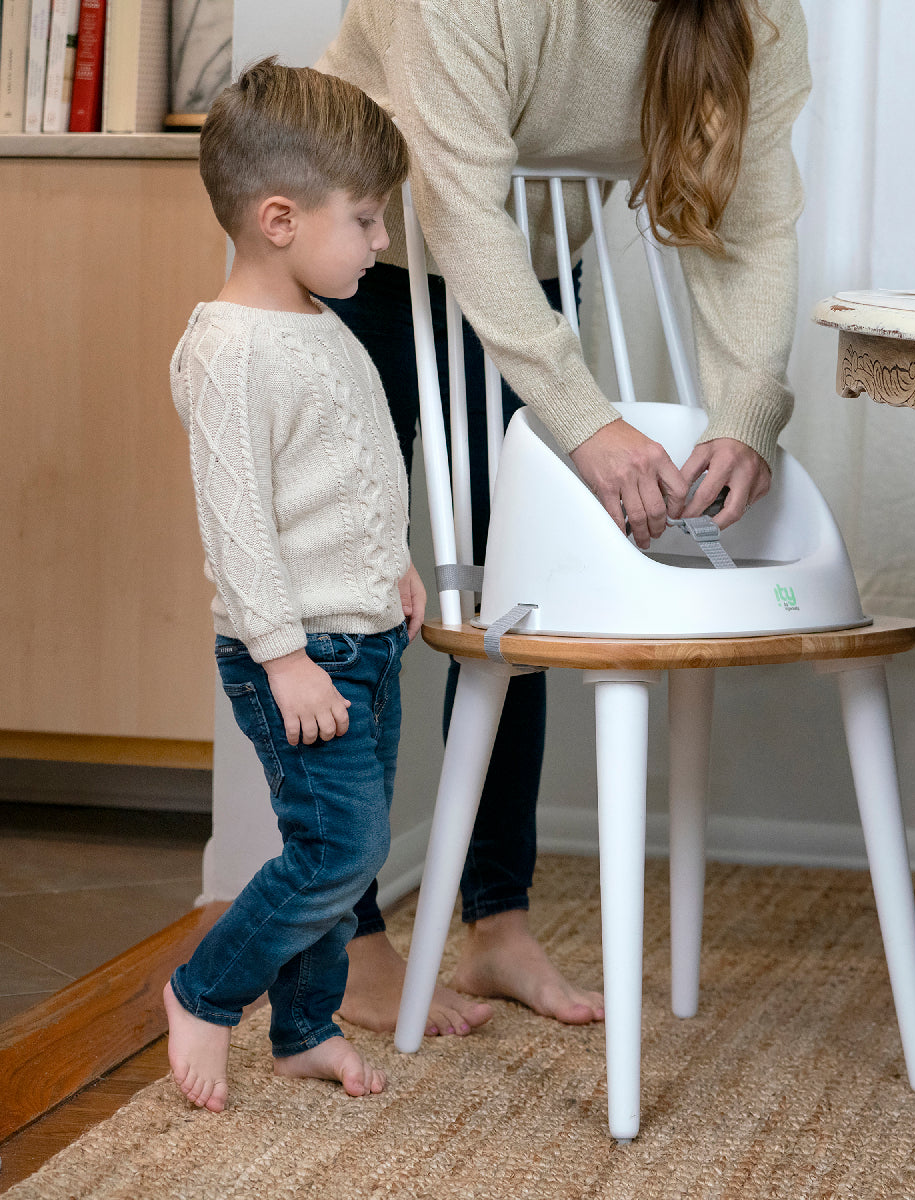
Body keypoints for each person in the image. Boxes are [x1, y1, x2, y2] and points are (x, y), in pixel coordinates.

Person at [319, 0, 812, 1037]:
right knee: (348, 605)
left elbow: (754, 218)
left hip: (522, 277)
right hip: (355, 253)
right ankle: (346, 939)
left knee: (519, 601)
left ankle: (498, 926)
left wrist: (747, 411)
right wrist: (586, 420)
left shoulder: (755, 11)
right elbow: (452, 202)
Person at [163, 58, 426, 1112]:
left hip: (366, 634)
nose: (381, 241)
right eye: (364, 219)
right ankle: (205, 991)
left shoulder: (323, 325)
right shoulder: (228, 351)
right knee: (339, 847)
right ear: (279, 217)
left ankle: (304, 1029)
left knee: (344, 861)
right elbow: (240, 525)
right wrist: (282, 659)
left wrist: (393, 561)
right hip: (300, 649)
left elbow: (346, 474)